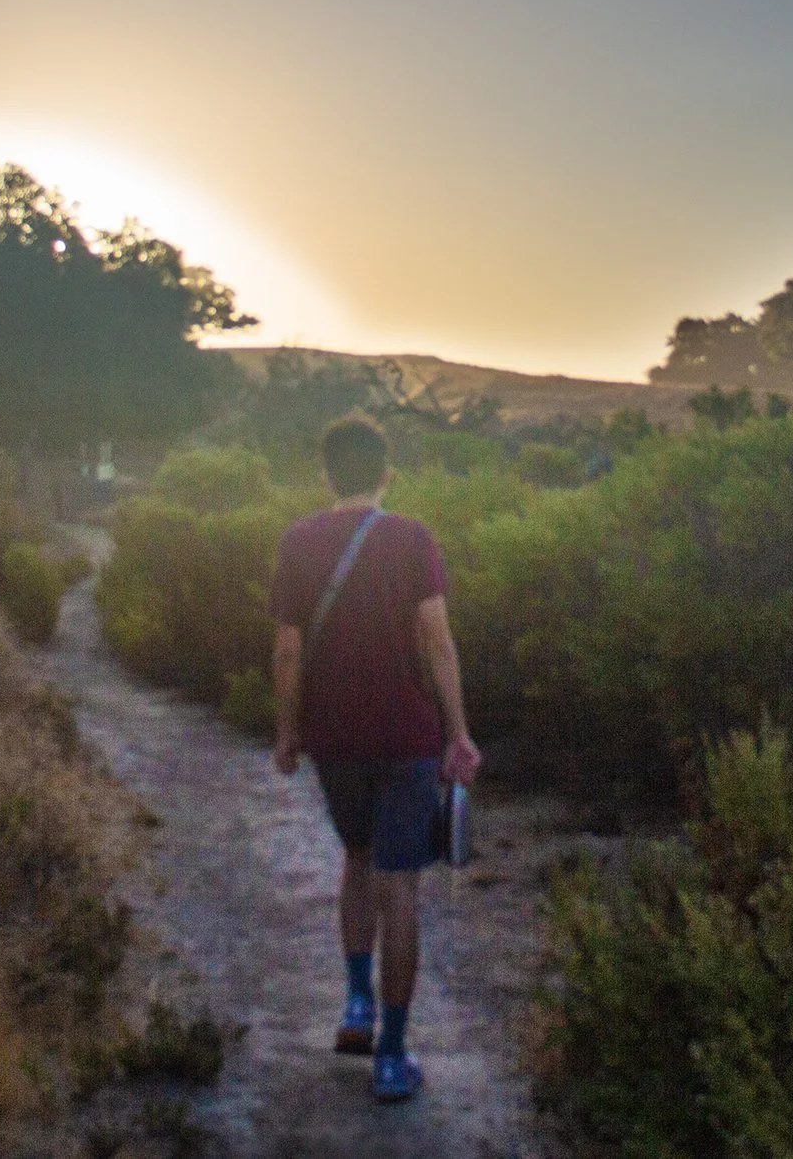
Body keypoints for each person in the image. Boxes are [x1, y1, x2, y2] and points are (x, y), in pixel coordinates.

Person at [269, 414, 481, 1105]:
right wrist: (458, 731)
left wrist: (287, 729)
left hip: (336, 737)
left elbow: (288, 650)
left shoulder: (299, 541)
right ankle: (392, 1056)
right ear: (386, 472)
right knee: (401, 888)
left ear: (327, 473)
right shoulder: (413, 538)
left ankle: (357, 1002)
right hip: (407, 736)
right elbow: (439, 643)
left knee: (357, 861)